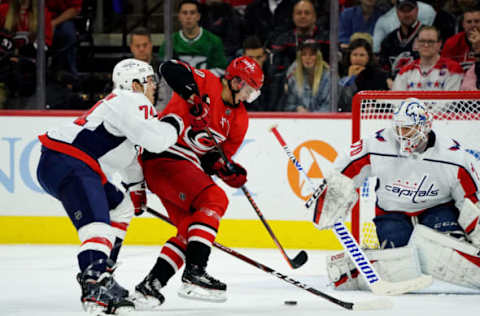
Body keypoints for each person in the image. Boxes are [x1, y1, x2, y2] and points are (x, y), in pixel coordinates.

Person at [35, 58, 180, 314]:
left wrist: (136, 190)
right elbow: (157, 141)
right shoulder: (131, 100)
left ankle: (104, 274)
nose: (153, 87)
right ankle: (94, 283)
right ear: (133, 84)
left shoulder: (122, 107)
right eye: (149, 81)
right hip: (71, 162)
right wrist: (176, 123)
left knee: (119, 207)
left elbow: (130, 155)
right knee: (97, 225)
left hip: (66, 163)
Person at [134, 57, 264, 307]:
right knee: (215, 199)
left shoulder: (240, 120)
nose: (248, 97)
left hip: (185, 167)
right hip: (164, 154)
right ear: (236, 81)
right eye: (248, 89)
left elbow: (212, 158)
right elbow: (167, 67)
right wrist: (191, 94)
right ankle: (195, 272)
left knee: (189, 231)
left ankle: (150, 286)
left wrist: (227, 170)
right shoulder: (207, 82)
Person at [313, 98, 480, 291]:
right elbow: (347, 169)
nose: (401, 135)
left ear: (424, 127)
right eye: (399, 128)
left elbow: (472, 202)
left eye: (408, 129)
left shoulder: (454, 156)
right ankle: (348, 269)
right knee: (399, 263)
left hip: (438, 209)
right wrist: (330, 196)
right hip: (392, 212)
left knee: (446, 253)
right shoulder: (378, 144)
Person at [0, 0, 53, 107]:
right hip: (6, 63)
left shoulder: (42, 13)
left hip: (30, 64)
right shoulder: (3, 10)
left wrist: (27, 51)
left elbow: (46, 42)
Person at [158, 0, 228, 77]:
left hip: (207, 85)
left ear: (198, 16)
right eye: (185, 13)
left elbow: (221, 69)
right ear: (179, 16)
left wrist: (201, 78)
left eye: (192, 13)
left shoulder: (214, 40)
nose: (188, 17)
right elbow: (163, 67)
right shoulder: (170, 41)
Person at [392, 26, 464, 91]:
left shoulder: (453, 69)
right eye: (422, 41)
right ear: (416, 43)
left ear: (439, 44)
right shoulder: (405, 71)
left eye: (431, 42)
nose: (426, 45)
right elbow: (397, 101)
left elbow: (450, 102)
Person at [338, 37, 390, 112]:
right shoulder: (342, 73)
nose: (358, 58)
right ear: (349, 56)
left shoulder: (379, 75)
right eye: (355, 55)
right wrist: (350, 79)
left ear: (368, 57)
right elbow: (343, 102)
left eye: (362, 55)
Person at [378, 0, 423, 78]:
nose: (406, 14)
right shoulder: (388, 40)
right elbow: (383, 69)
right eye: (403, 10)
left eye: (409, 10)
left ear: (417, 10)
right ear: (397, 12)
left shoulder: (429, 36)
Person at [129, 26, 170, 111]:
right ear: (131, 47)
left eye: (145, 45)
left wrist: (150, 118)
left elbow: (165, 101)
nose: (141, 49)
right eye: (137, 46)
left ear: (151, 45)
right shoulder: (124, 69)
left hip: (156, 117)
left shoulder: (162, 69)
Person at [284, 39, 330, 112]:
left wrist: (310, 116)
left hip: (323, 121)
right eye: (304, 54)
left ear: (318, 56)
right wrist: (297, 109)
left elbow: (329, 106)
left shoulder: (329, 76)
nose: (307, 58)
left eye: (312, 54)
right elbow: (289, 104)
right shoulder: (293, 75)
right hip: (299, 120)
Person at [46, 0, 82, 77]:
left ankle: (70, 76)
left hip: (63, 18)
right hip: (37, 16)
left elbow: (75, 9)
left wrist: (53, 23)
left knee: (67, 33)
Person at [441, 6, 480, 72]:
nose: (473, 25)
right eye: (469, 22)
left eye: (477, 21)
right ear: (463, 24)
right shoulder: (452, 42)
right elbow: (444, 68)